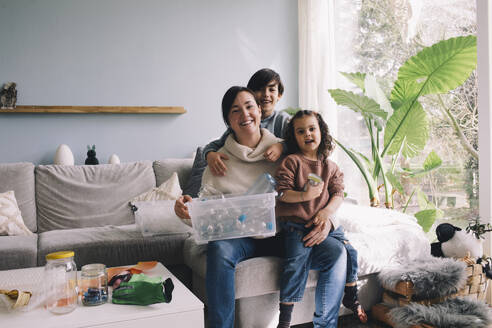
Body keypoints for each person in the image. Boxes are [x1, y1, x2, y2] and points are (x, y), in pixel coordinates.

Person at [175, 88, 347, 328]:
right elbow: (206, 212)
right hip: (243, 237)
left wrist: (328, 220)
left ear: (259, 111)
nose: (245, 114)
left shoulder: (286, 148)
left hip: (286, 232)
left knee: (337, 252)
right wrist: (187, 212)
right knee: (219, 248)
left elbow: (324, 182)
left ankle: (325, 325)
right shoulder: (217, 161)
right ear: (228, 121)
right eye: (236, 110)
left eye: (249, 106)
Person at [275, 109, 367, 328]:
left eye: (312, 129)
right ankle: (285, 320)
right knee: (295, 262)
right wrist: (305, 195)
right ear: (294, 137)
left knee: (347, 249)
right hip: (296, 226)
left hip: (322, 223)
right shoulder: (292, 162)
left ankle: (351, 293)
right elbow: (282, 193)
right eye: (301, 131)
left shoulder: (330, 166)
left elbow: (338, 194)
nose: (307, 134)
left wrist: (326, 213)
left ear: (321, 131)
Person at [203, 68, 291, 176]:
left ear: (279, 95)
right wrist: (209, 154)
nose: (266, 94)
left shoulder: (284, 120)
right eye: (260, 89)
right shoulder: (238, 126)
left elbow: (299, 144)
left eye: (271, 90)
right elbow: (214, 145)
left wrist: (282, 146)